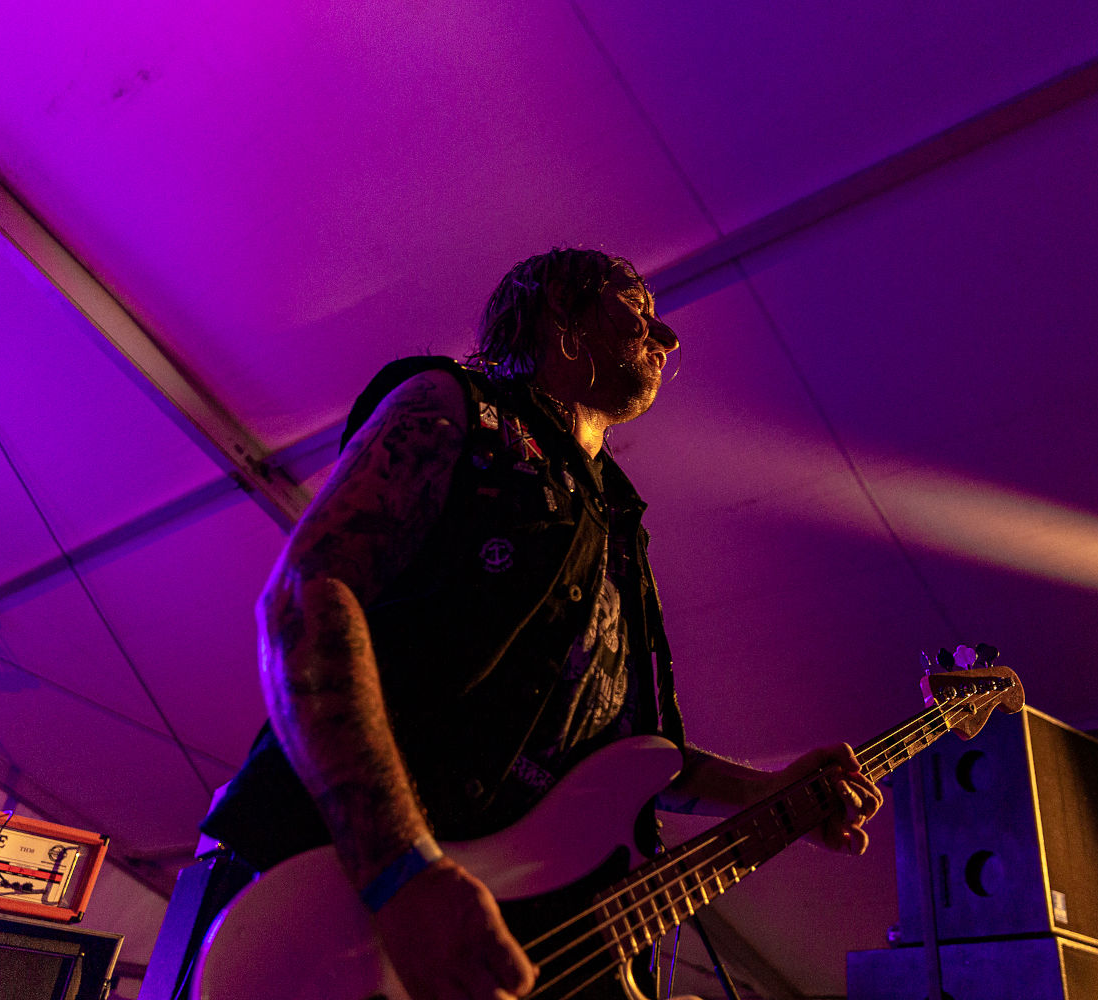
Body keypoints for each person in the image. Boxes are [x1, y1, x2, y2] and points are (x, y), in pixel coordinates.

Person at [200, 248, 882, 1000]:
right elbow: (308, 595)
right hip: (348, 908)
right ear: (562, 310)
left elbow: (619, 755)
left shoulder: (617, 518)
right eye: (637, 309)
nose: (668, 337)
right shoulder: (454, 405)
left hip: (519, 928)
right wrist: (402, 870)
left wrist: (764, 790)